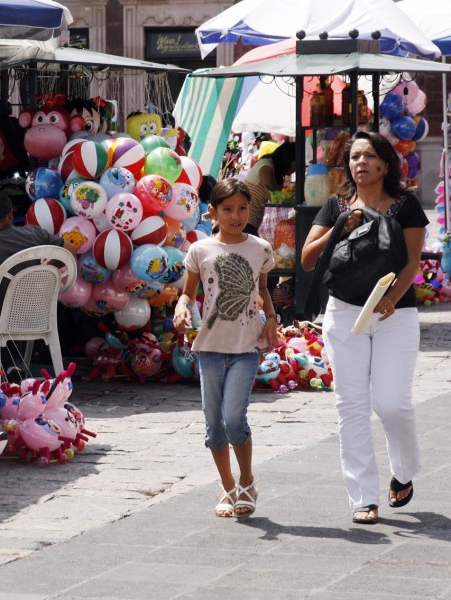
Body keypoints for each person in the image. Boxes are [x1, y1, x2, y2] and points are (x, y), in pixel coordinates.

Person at [301, 131, 427, 525]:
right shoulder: (336, 205)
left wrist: (390, 297)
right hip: (344, 314)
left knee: (392, 404)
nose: (361, 162)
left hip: (395, 314)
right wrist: (340, 225)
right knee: (350, 406)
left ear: (385, 164)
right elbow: (306, 260)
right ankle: (363, 498)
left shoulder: (405, 206)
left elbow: (411, 262)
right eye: (355, 156)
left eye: (371, 156)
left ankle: (404, 471)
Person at [173, 178, 277, 518]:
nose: (236, 216)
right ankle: (228, 486)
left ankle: (247, 480)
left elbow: (262, 289)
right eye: (228, 209)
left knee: (234, 419)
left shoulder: (260, 248)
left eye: (243, 209)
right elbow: (189, 292)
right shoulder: (200, 250)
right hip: (210, 349)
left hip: (246, 347)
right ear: (212, 213)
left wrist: (273, 317)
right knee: (214, 426)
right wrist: (181, 305)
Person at [0, 190, 74, 332]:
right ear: (10, 214)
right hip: (38, 317)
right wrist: (46, 269)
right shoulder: (35, 234)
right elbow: (70, 250)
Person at [242, 140, 297, 236]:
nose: (291, 172)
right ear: (287, 160)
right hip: (246, 221)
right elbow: (273, 195)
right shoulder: (266, 167)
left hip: (251, 221)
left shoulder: (270, 167)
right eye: (292, 168)